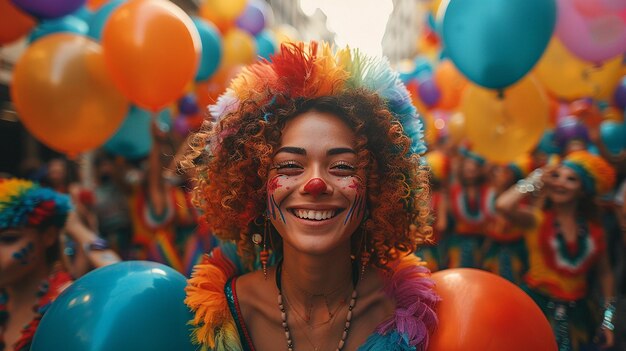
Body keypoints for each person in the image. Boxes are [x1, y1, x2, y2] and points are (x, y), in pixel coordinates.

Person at [183, 42, 439, 350]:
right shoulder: (219, 314)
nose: (315, 183)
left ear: (376, 186)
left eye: (342, 167)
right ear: (256, 188)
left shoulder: (411, 316)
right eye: (290, 166)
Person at [496, 150, 617, 350]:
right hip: (536, 307)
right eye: (557, 176)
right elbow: (502, 205)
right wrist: (536, 177)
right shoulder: (537, 219)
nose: (560, 182)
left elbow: (605, 274)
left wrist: (608, 320)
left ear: (583, 190)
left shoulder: (595, 231)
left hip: (579, 314)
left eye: (571, 179)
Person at [0, 178, 120, 351]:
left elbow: (123, 281)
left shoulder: (73, 303)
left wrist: (77, 228)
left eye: (8, 239)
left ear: (48, 236)